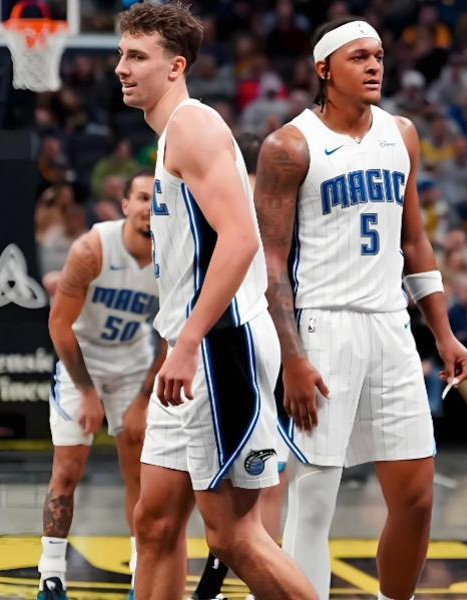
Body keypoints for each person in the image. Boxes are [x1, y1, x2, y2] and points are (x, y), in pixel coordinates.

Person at [253, 16, 467, 600]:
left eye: (378, 56)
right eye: (359, 57)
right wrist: (293, 358)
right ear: (324, 69)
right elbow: (270, 264)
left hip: (392, 327)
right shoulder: (289, 146)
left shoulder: (401, 134)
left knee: (417, 498)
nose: (375, 66)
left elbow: (414, 241)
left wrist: (444, 333)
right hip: (322, 326)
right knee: (313, 500)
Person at [115, 4, 316, 600]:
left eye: (137, 57)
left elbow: (241, 239)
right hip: (193, 348)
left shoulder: (193, 127)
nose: (122, 68)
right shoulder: (171, 137)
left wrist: (187, 343)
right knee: (154, 524)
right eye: (122, 55)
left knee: (233, 535)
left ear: (176, 66)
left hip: (220, 346)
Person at [39, 173, 164, 600]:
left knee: (141, 475)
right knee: (67, 471)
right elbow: (59, 324)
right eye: (142, 197)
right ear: (125, 204)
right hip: (83, 359)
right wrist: (89, 392)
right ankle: (51, 575)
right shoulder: (92, 248)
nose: (150, 207)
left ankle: (141, 575)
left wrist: (144, 399)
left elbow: (173, 335)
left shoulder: (173, 252)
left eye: (158, 198)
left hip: (133, 364)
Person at [191, 132, 291, 600]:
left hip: (243, 339)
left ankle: (227, 584)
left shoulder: (229, 199)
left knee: (242, 490)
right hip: (273, 340)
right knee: (262, 483)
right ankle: (227, 582)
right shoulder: (269, 203)